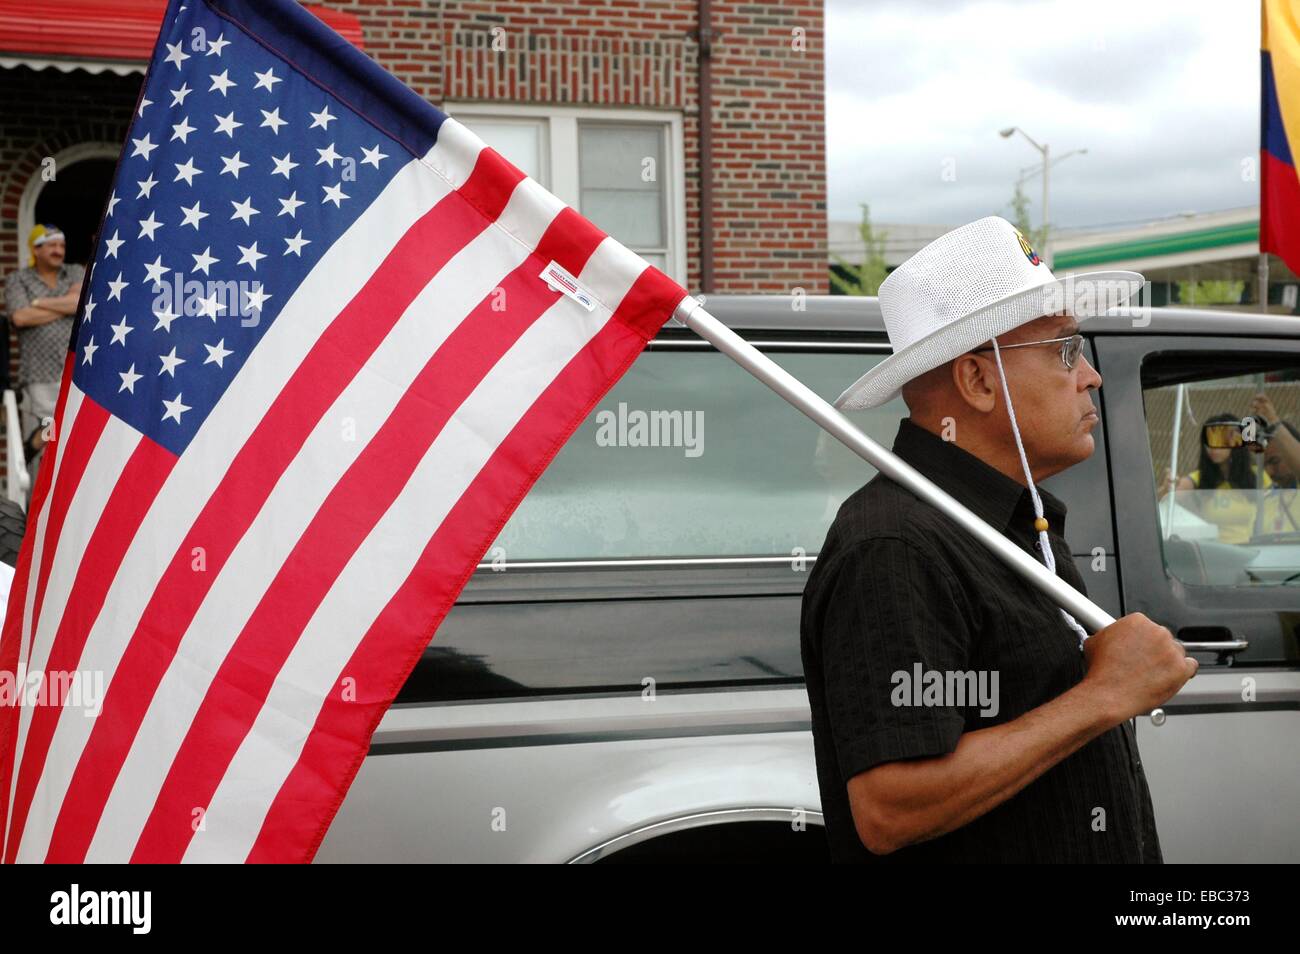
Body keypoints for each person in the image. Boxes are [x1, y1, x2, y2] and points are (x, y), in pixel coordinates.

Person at [801, 216, 1196, 863]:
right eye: (1066, 350)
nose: (1090, 376)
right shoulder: (896, 545)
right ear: (978, 381)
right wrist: (1101, 697)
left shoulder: (1015, 522)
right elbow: (890, 804)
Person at [4, 225, 83, 486]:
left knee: (73, 431)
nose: (59, 251)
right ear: (36, 249)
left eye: (61, 245)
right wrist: (64, 306)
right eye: (52, 246)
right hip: (41, 371)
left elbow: (78, 302)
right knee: (52, 431)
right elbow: (20, 317)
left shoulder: (74, 272)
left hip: (77, 369)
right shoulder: (19, 279)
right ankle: (41, 495)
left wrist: (38, 304)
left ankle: (34, 452)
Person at [1158, 411, 1271, 544]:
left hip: (1255, 549)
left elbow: (1272, 511)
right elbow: (1168, 497)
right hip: (1215, 552)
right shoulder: (1199, 477)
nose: (1212, 447)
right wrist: (1166, 488)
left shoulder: (1258, 476)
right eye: (1208, 440)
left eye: (1219, 439)